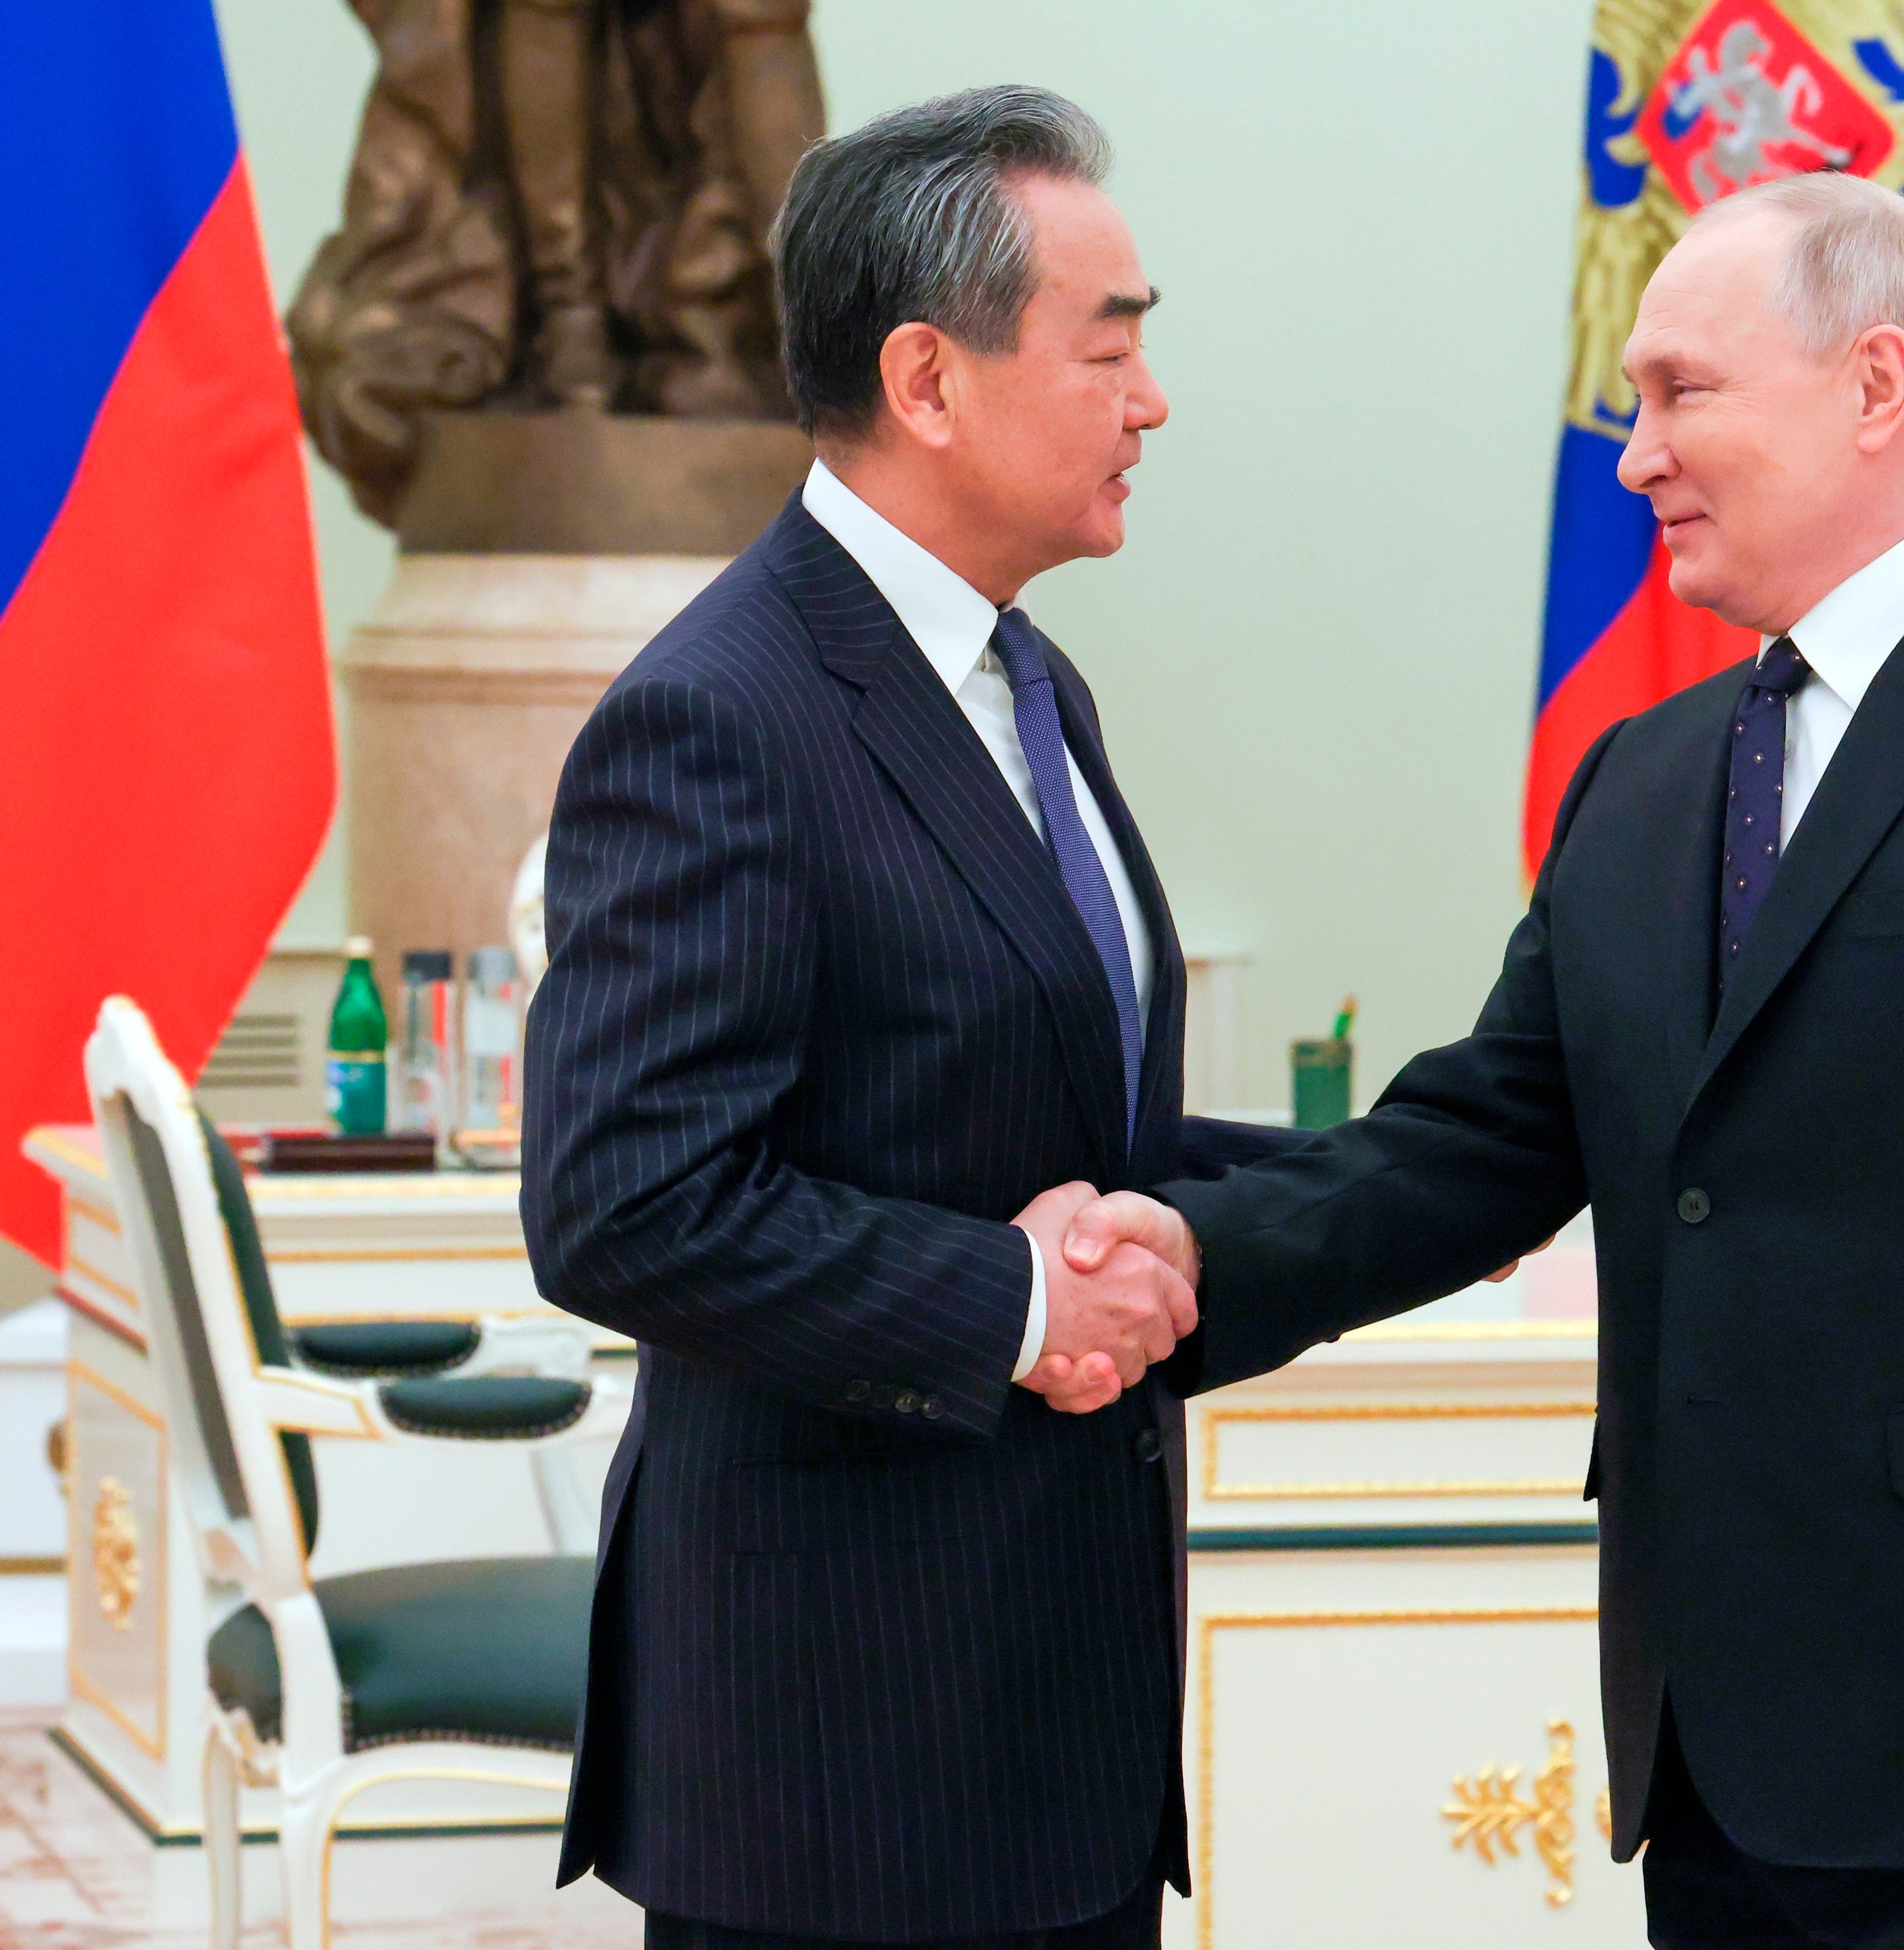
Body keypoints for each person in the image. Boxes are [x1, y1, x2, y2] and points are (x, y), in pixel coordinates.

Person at [1066, 171, 1904, 1949]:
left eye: (1680, 392)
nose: (1635, 456)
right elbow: (1483, 1141)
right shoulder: (1646, 776)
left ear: (1876, 386)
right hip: (1714, 1744)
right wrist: (1186, 1256)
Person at [522, 86, 1297, 1950]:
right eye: (1110, 347)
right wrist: (1021, 1305)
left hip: (1054, 1732)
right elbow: (625, 1201)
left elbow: (1063, 1130)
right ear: (929, 380)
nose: (1152, 400)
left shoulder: (1031, 687)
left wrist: (1451, 1166)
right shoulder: (726, 711)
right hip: (840, 1761)